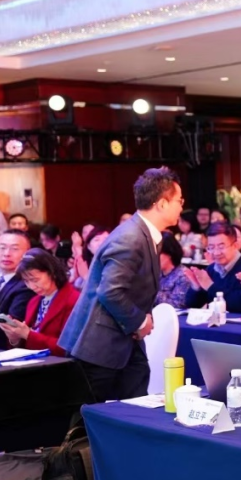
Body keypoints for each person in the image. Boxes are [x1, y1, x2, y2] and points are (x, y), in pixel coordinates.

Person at [58, 167, 184, 401]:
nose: (182, 206)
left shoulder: (145, 234)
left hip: (123, 340)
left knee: (135, 404)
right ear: (162, 204)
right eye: (179, 200)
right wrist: (140, 321)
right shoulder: (131, 237)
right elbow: (110, 292)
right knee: (89, 416)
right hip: (99, 345)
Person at [0, 250, 78, 355]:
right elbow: (25, 345)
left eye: (35, 280)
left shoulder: (74, 299)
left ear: (52, 273)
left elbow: (68, 347)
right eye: (26, 281)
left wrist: (28, 334)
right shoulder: (34, 301)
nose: (31, 286)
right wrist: (15, 338)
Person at [183, 222, 241, 313]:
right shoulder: (211, 269)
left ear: (235, 245)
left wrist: (210, 286)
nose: (216, 253)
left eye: (221, 247)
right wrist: (196, 287)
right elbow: (192, 305)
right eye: (211, 247)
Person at [0, 230, 34, 320]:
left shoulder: (27, 285)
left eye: (15, 249)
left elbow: (10, 323)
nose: (7, 254)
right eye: (2, 248)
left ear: (27, 253)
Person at [154, 233, 190, 309]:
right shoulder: (156, 274)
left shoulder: (183, 275)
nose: (154, 258)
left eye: (157, 254)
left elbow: (177, 304)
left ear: (169, 254)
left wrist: (150, 293)